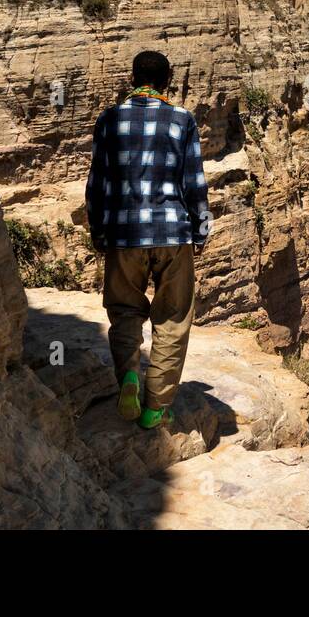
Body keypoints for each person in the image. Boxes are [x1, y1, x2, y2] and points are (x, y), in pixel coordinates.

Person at [85, 50, 209, 429]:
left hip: (125, 232)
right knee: (172, 316)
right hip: (172, 232)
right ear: (167, 80)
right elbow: (194, 182)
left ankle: (129, 378)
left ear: (133, 77)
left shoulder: (109, 119)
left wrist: (99, 229)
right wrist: (200, 228)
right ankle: (156, 407)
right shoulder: (182, 119)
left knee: (124, 309)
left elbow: (98, 182)